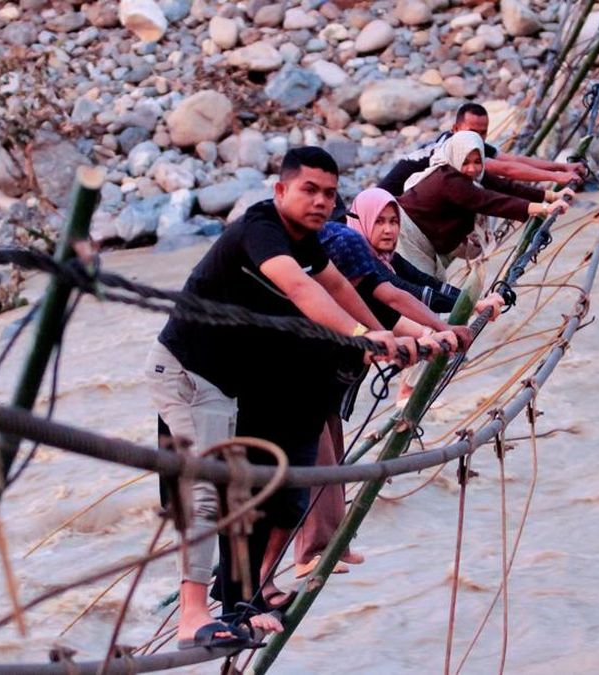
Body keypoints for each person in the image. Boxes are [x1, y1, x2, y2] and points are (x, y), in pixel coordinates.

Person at [146, 147, 416, 649]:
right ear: (280, 191)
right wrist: (363, 335)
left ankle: (239, 607)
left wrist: (388, 338)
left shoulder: (307, 240)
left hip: (226, 382)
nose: (320, 202)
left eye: (330, 194)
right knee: (206, 491)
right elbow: (299, 289)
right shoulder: (261, 229)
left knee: (247, 491)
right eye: (309, 190)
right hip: (186, 371)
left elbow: (335, 286)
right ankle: (192, 616)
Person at [294, 188, 508, 577]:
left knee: (331, 455)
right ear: (360, 219)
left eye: (394, 221)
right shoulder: (347, 245)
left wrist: (439, 333)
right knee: (317, 461)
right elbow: (392, 298)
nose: (390, 230)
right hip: (303, 366)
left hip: (324, 370)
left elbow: (410, 291)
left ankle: (327, 545)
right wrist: (441, 329)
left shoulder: (377, 259)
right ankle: (307, 553)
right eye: (382, 221)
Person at [395, 130, 572, 279]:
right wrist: (543, 208)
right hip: (405, 237)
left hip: (426, 238)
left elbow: (505, 186)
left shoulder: (465, 175)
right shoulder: (447, 179)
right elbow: (491, 202)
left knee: (428, 289)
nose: (472, 168)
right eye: (465, 162)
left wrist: (551, 195)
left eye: (477, 161)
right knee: (419, 290)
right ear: (454, 157)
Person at [377, 102, 586, 197]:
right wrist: (557, 178)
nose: (477, 137)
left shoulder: (472, 143)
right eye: (472, 131)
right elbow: (507, 171)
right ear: (455, 128)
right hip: (388, 200)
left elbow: (512, 161)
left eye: (483, 132)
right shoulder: (450, 147)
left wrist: (561, 167)